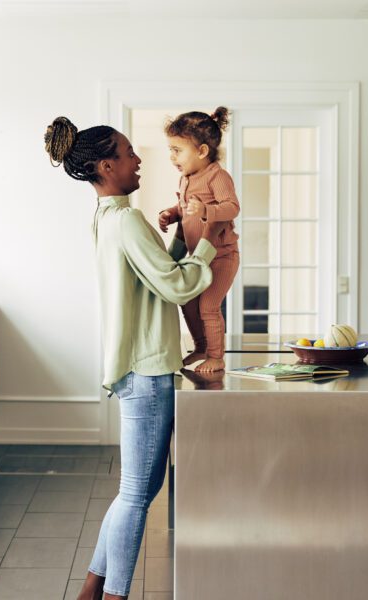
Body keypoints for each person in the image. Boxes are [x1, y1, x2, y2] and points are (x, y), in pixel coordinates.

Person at [44, 116, 226, 600]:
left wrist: (183, 241)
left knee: (135, 493)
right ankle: (114, 595)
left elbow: (155, 272)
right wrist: (209, 238)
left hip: (132, 368)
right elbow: (177, 284)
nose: (138, 158)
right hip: (147, 372)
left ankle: (93, 588)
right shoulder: (126, 220)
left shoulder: (107, 217)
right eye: (128, 153)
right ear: (106, 165)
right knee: (136, 496)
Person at [157, 107, 240, 373]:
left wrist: (207, 211)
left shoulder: (218, 176)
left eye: (177, 150)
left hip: (223, 256)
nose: (172, 157)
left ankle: (216, 356)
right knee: (188, 301)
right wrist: (171, 214)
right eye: (170, 149)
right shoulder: (186, 178)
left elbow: (232, 207)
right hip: (198, 256)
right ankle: (201, 347)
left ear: (202, 151)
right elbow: (185, 207)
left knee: (208, 305)